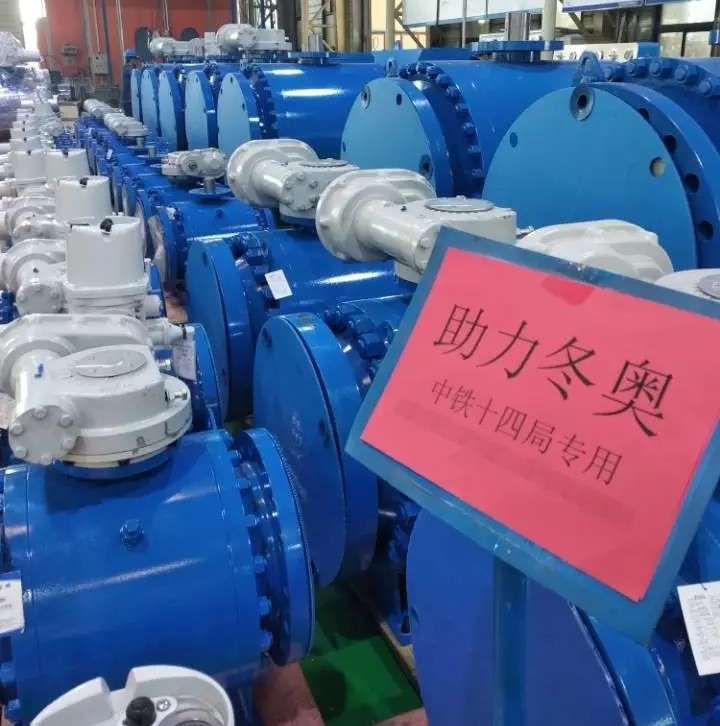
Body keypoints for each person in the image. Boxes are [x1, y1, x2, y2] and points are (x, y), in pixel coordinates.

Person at [120, 48, 141, 117]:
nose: (137, 61)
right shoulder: (128, 69)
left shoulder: (126, 68)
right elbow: (137, 75)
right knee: (131, 119)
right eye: (135, 59)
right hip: (128, 100)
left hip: (127, 99)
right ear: (131, 59)